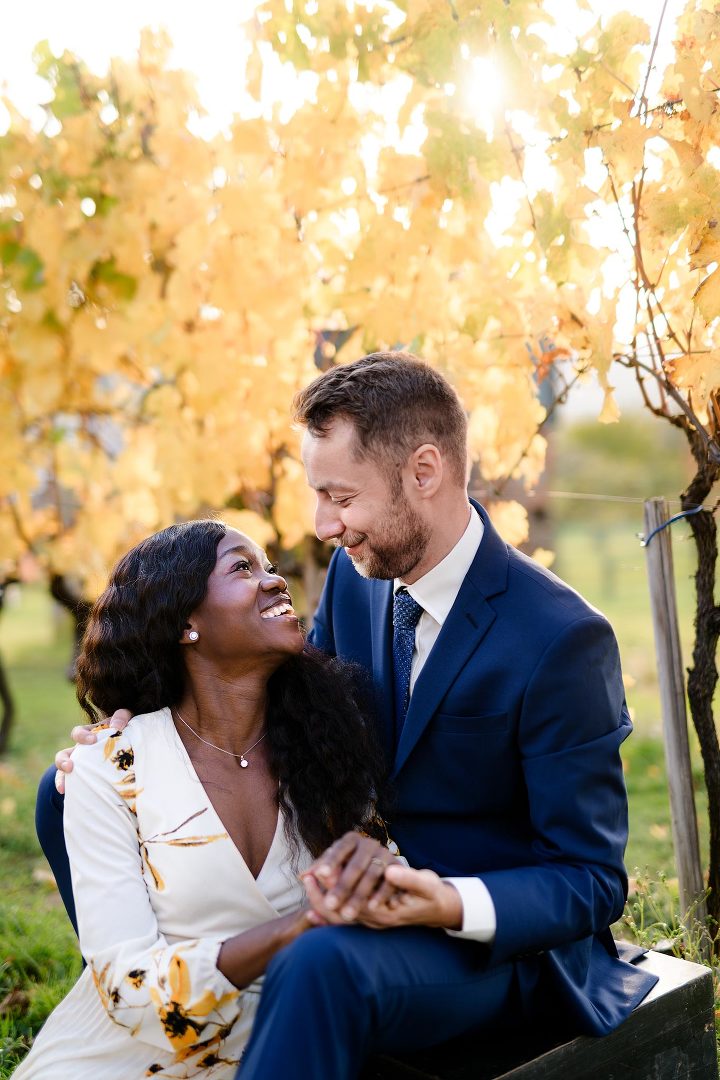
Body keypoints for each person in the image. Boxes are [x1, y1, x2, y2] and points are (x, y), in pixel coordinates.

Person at [40, 352, 657, 1079]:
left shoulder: (560, 638)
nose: (323, 524)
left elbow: (590, 878)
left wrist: (444, 901)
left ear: (422, 472)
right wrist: (128, 742)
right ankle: (172, 1018)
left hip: (491, 944)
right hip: (354, 891)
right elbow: (289, 694)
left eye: (339, 496)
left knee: (321, 959)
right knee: (62, 799)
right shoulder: (359, 576)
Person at [16, 519, 393, 1079]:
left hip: (289, 1044)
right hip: (132, 1055)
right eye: (243, 567)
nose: (274, 581)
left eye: (269, 566)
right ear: (185, 620)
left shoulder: (328, 751)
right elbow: (126, 989)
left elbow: (381, 880)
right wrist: (300, 927)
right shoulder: (106, 770)